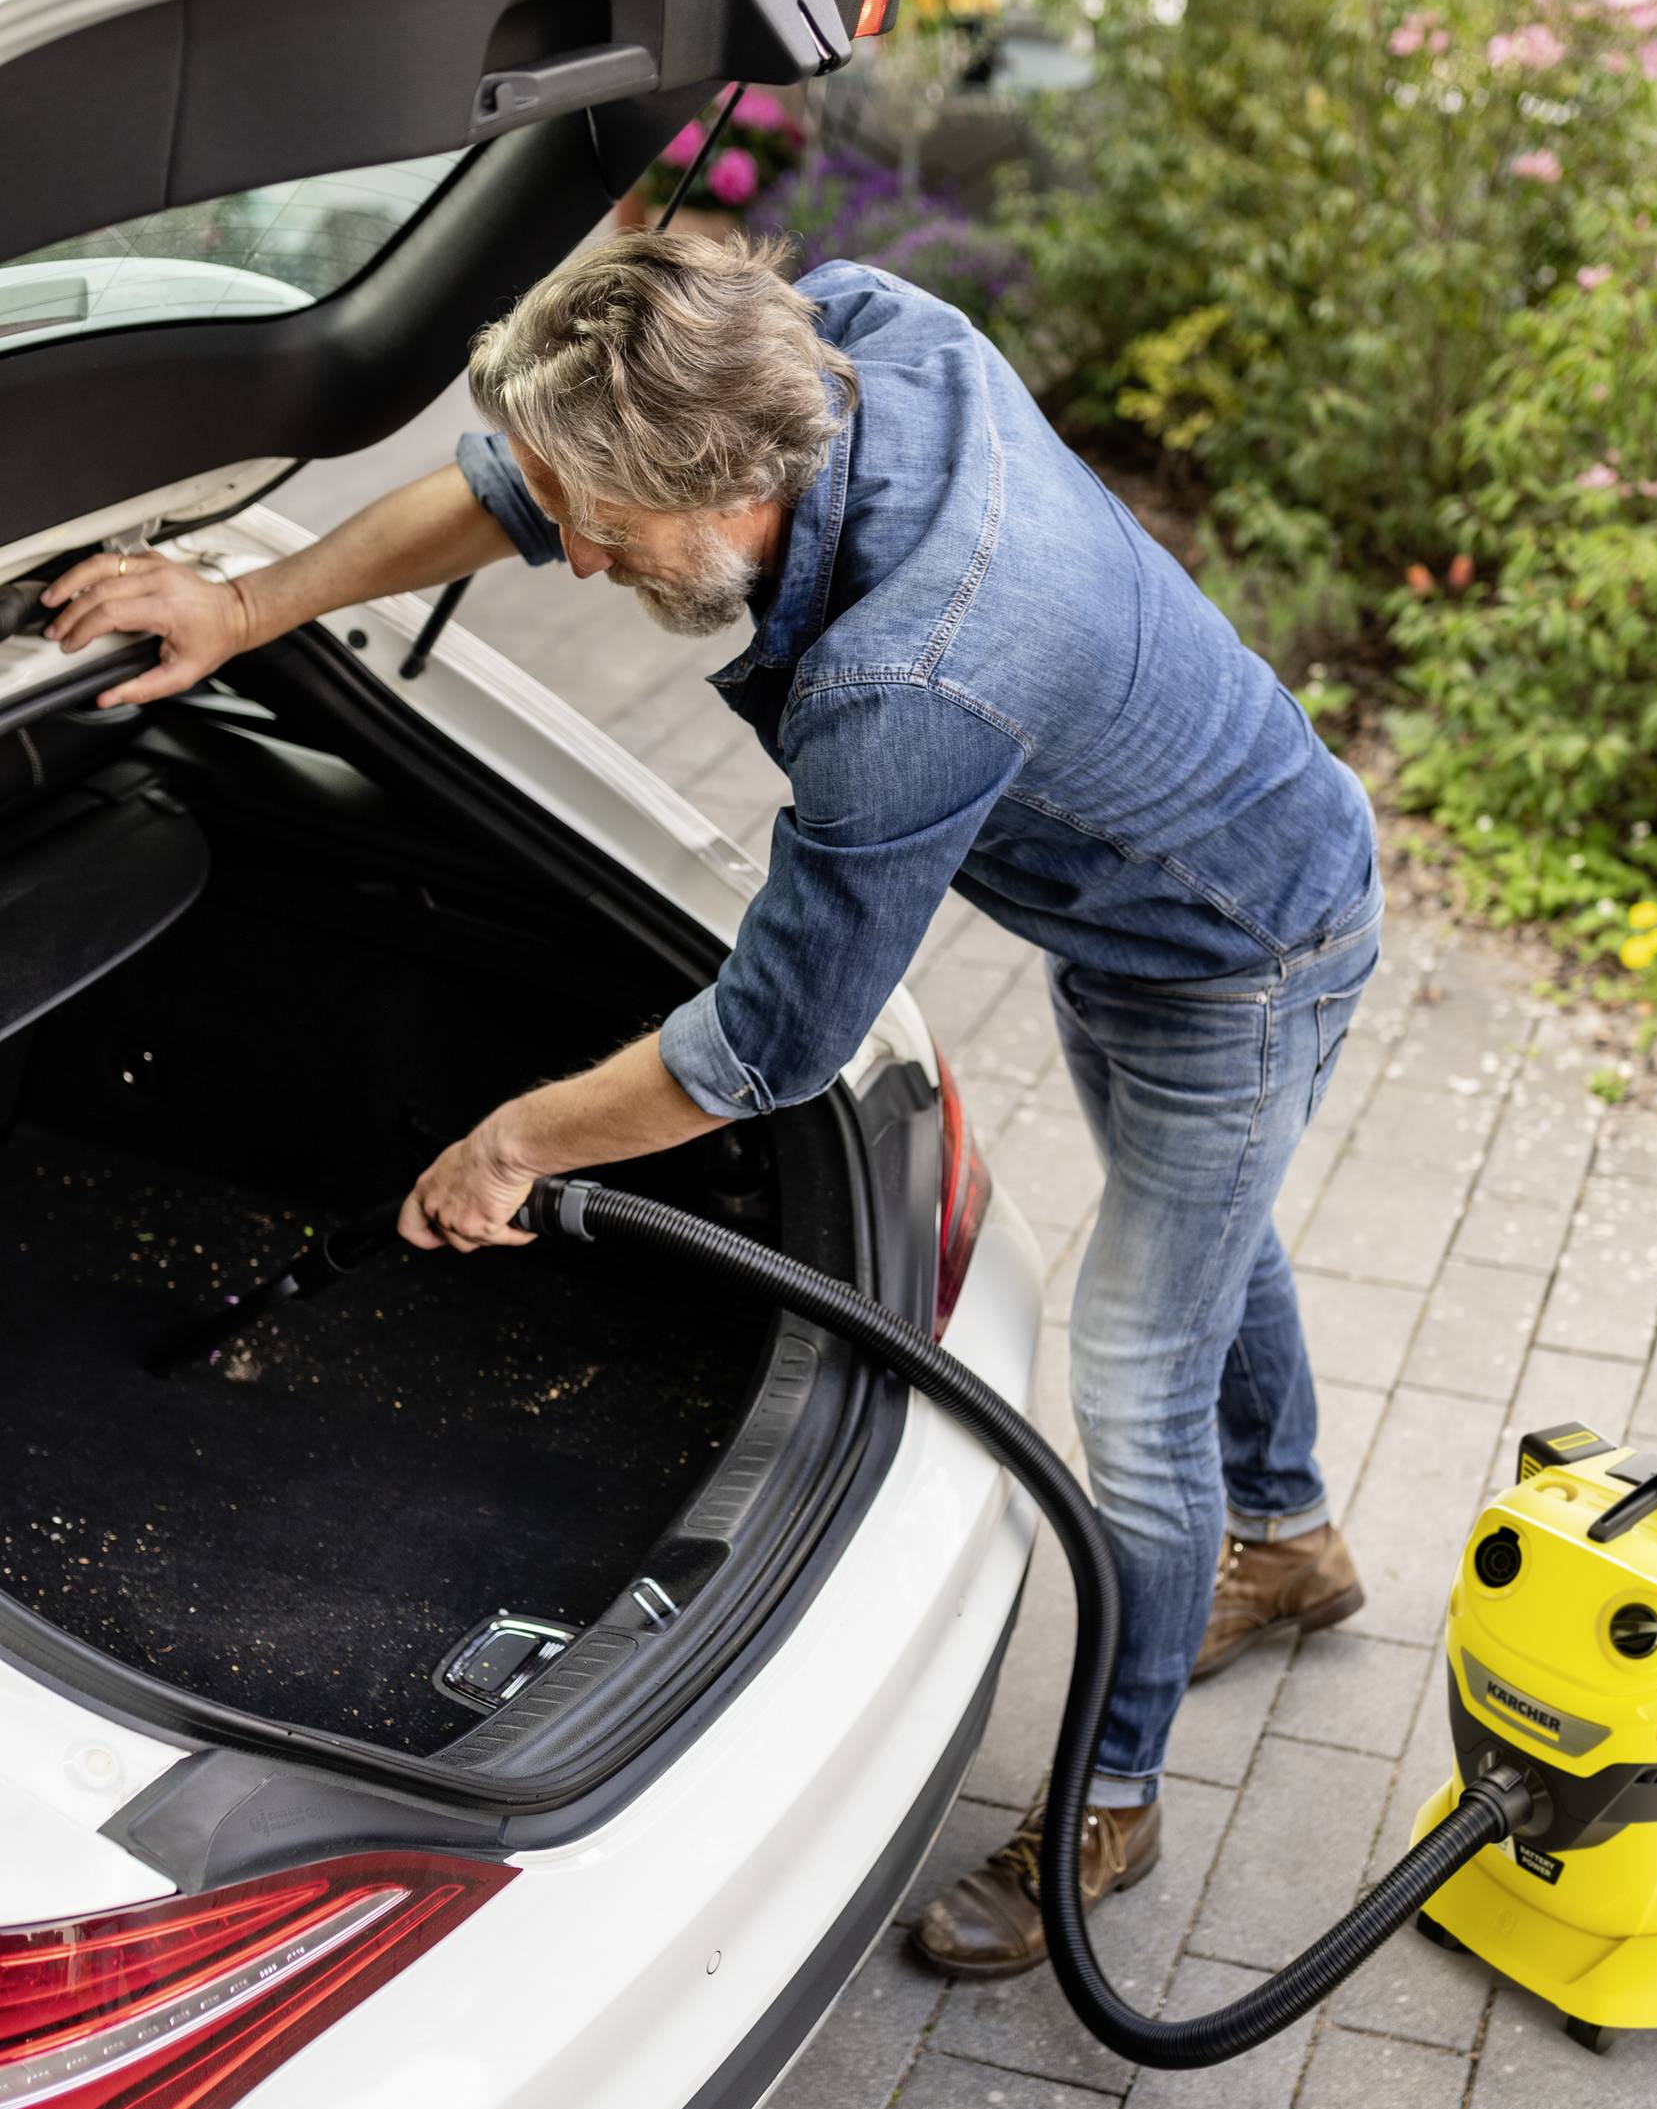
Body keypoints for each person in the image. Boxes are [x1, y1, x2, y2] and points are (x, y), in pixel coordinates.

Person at [42, 231, 1381, 1980]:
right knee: (1195, 1218)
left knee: (1132, 1380)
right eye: (571, 513)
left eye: (603, 524)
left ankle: (1110, 1799)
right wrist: (241, 606)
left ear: (725, 472)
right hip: (1139, 895)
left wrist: (513, 1142)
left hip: (1241, 949)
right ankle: (1289, 1538)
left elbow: (765, 1050)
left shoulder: (916, 673)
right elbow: (518, 487)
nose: (575, 553)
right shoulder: (836, 343)